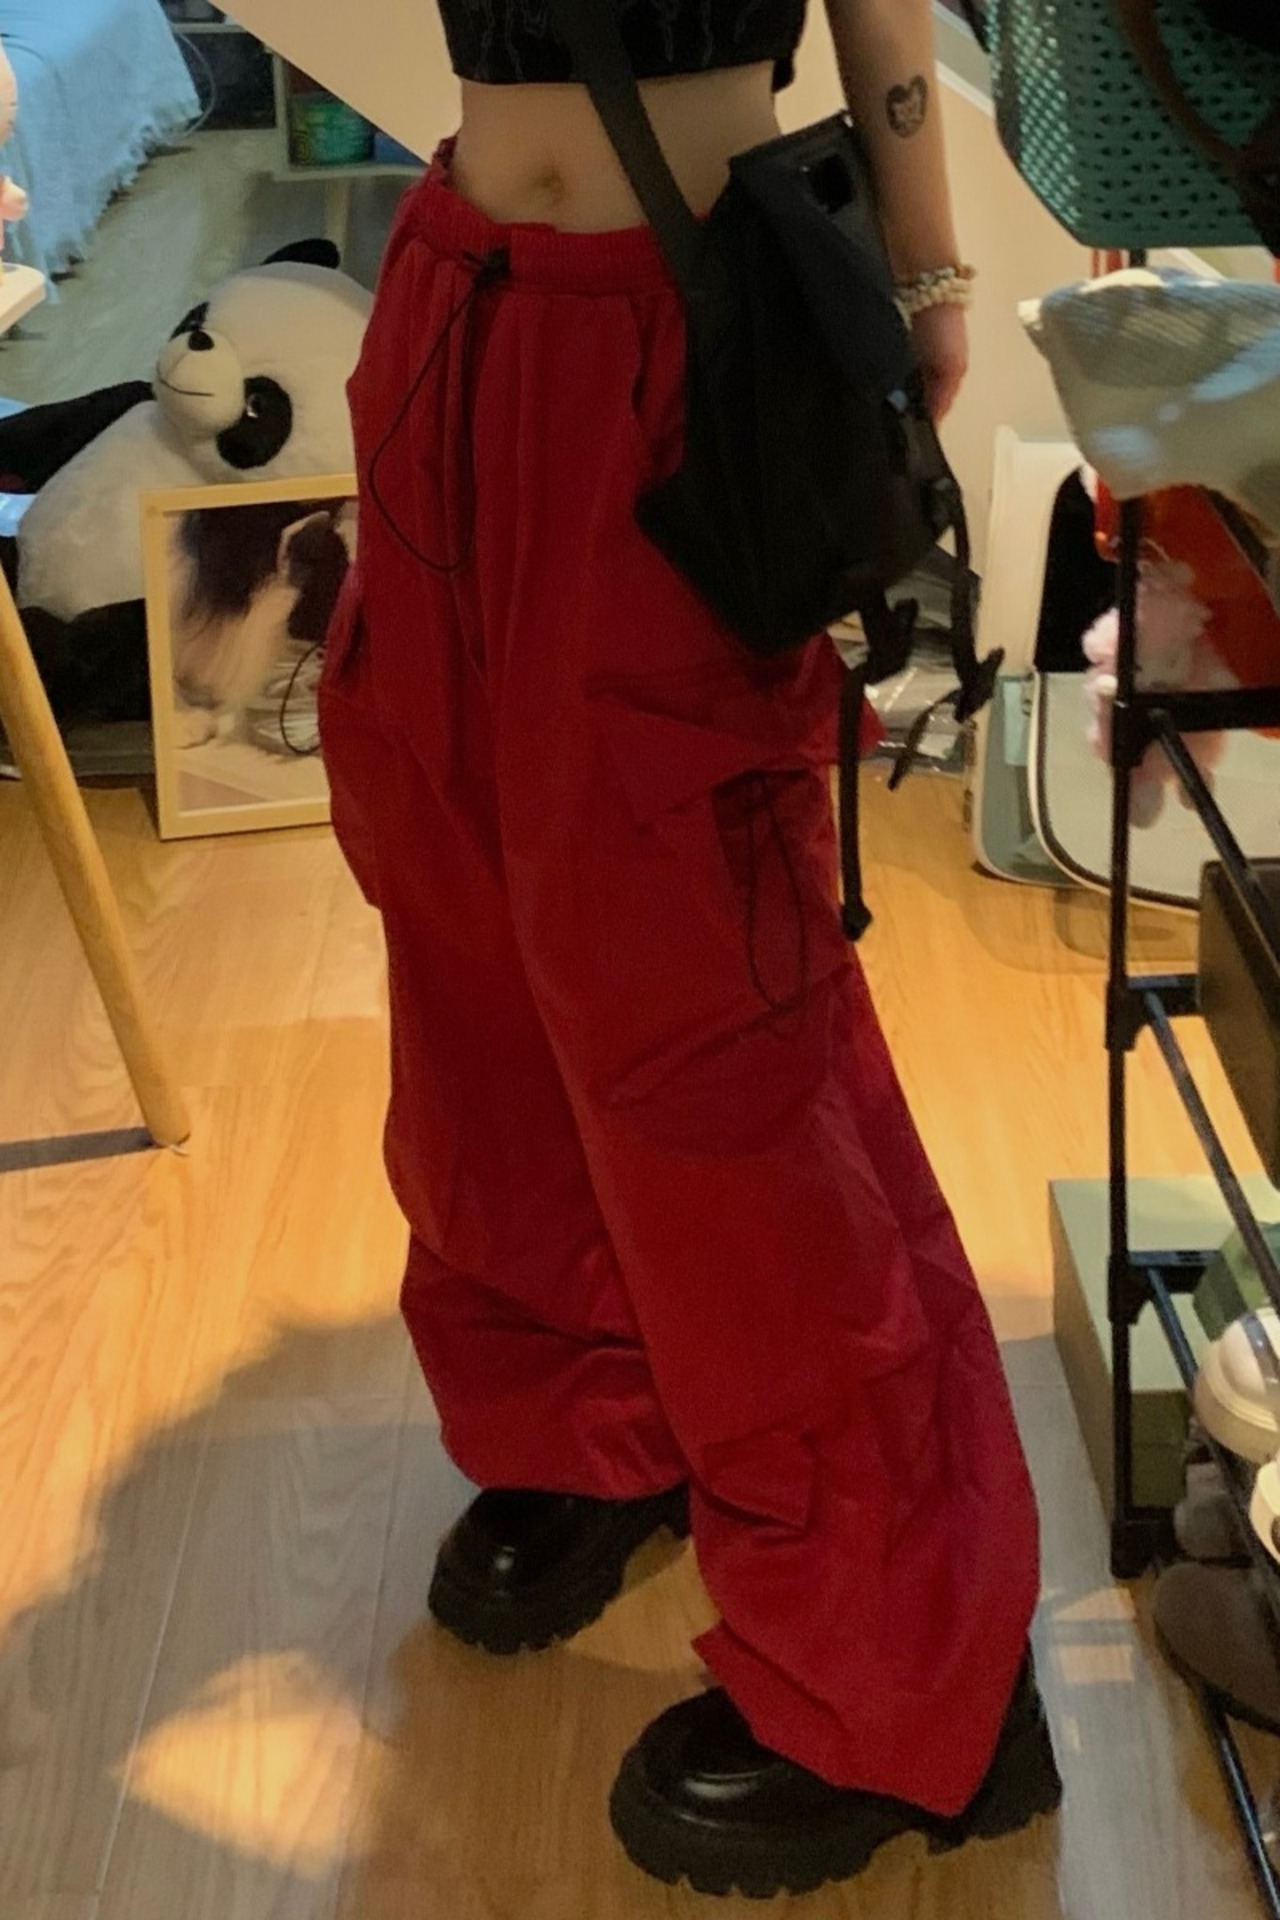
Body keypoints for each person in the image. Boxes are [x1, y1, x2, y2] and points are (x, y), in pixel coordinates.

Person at [318, 0, 1061, 1895]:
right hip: (456, 291)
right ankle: (593, 1408)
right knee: (462, 912)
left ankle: (910, 1659)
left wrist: (926, 266)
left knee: (703, 1000)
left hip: (683, 316)